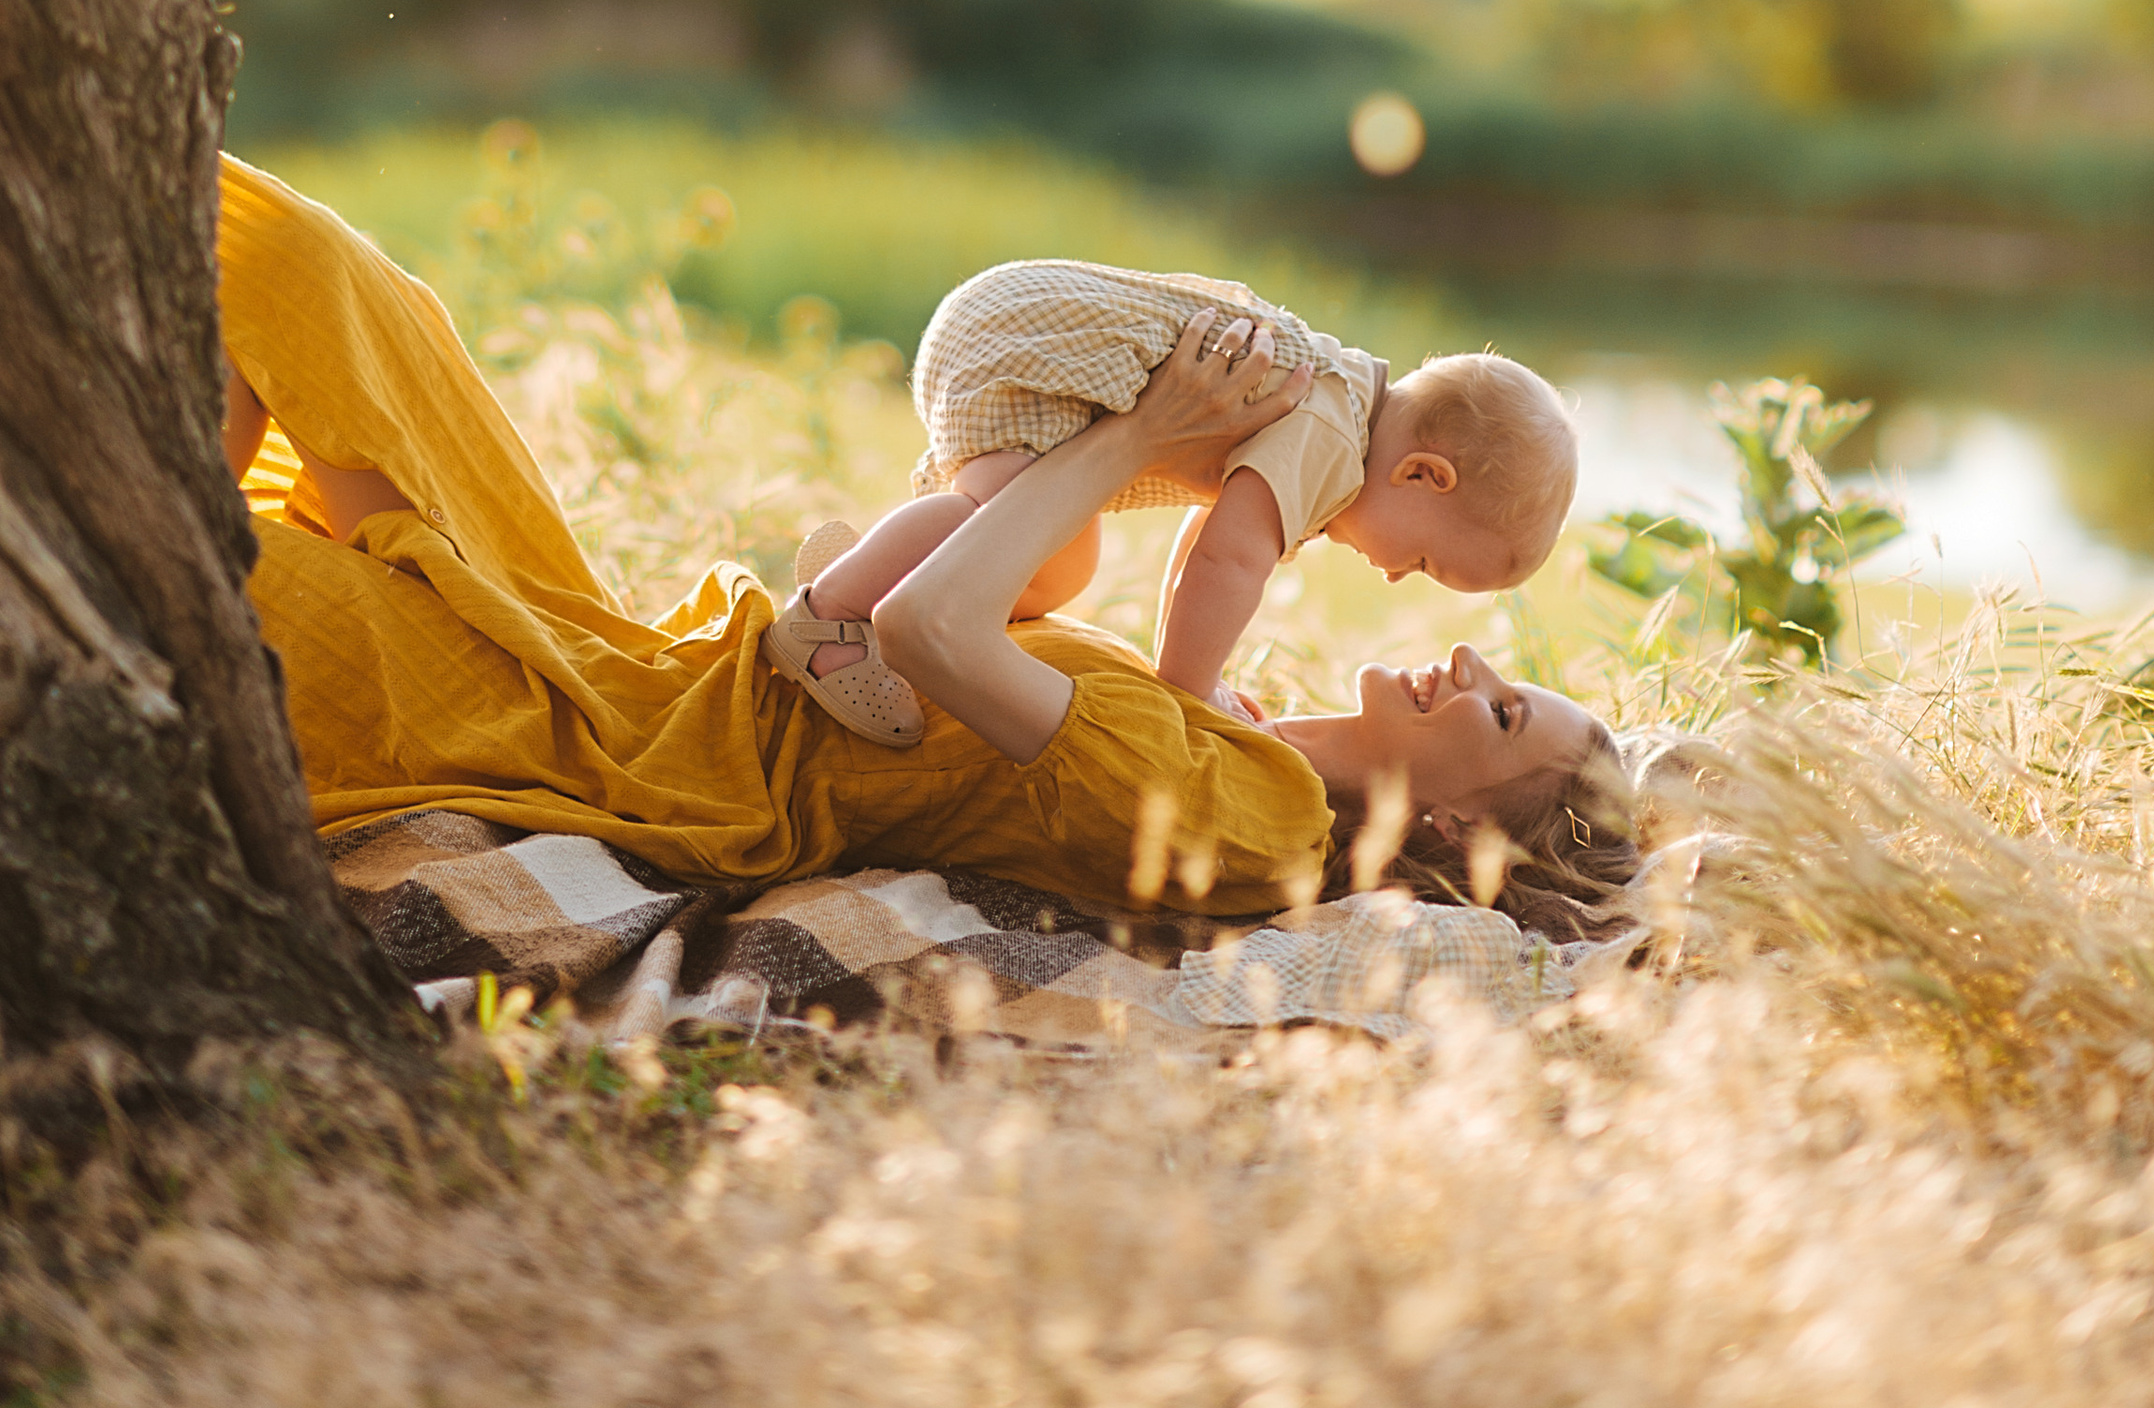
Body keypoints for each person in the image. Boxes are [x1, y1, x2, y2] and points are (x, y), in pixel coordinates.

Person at [215, 161, 1636, 935]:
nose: (1464, 652)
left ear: (1454, 828)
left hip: (665, 753)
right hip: (659, 668)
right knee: (307, 273)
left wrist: (1139, 430)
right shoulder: (1244, 738)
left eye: (1503, 705)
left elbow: (927, 632)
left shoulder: (1247, 817)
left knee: (222, 562)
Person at [770, 257, 1580, 746]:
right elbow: (1231, 559)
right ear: (1424, 474)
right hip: (1033, 345)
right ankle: (827, 613)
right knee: (998, 518)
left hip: (1013, 321)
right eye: (1426, 560)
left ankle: (868, 564)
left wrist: (1182, 665)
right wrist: (1191, 687)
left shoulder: (1335, 411)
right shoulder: (1334, 433)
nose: (1399, 577)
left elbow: (1206, 539)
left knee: (1050, 568)